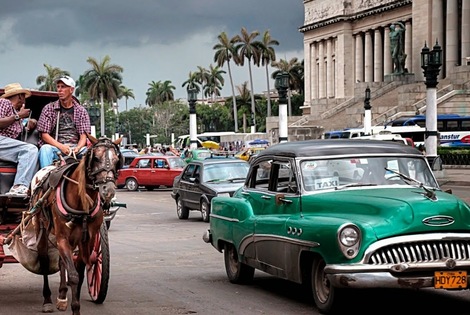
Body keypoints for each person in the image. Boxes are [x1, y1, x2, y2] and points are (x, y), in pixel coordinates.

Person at [37, 76, 91, 168]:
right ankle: (45, 178)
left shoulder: (81, 111)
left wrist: (78, 148)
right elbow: (44, 135)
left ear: (71, 90)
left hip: (76, 149)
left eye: (63, 87)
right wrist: (62, 147)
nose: (60, 90)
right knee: (45, 149)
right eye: (58, 87)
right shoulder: (49, 108)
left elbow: (83, 136)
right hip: (56, 148)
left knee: (92, 153)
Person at [0, 83, 39, 197]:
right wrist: (18, 116)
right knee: (30, 150)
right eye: (23, 97)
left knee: (31, 154)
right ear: (20, 96)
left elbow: (22, 127)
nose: (24, 101)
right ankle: (19, 185)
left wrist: (31, 122)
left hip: (5, 146)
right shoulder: (4, 103)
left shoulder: (15, 112)